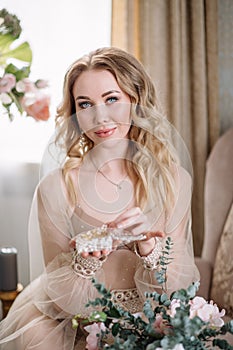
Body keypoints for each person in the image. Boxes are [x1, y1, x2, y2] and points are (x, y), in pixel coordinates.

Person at [0, 47, 199, 349]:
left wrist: (149, 246)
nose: (100, 116)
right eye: (85, 104)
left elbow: (177, 291)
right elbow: (61, 300)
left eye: (111, 99)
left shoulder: (174, 181)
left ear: (136, 100)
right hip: (76, 322)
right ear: (75, 115)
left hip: (151, 317)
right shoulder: (56, 187)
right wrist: (85, 262)